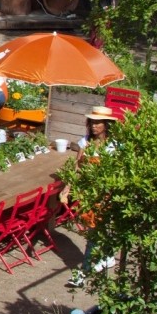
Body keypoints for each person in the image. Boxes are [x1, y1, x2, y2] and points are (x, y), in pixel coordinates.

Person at [62, 105, 118, 287]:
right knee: (95, 229)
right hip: (89, 193)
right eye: (92, 122)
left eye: (98, 123)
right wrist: (67, 188)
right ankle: (108, 256)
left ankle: (83, 273)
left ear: (106, 125)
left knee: (94, 232)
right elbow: (77, 167)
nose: (94, 126)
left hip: (105, 193)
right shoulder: (85, 141)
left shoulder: (114, 146)